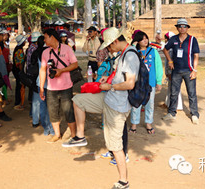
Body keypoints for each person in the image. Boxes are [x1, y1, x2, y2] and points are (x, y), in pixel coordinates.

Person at [65, 27, 137, 189]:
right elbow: (119, 77)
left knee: (115, 146)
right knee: (78, 100)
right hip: (109, 99)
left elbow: (130, 83)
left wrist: (109, 87)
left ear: (116, 41)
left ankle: (123, 181)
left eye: (109, 46)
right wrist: (109, 80)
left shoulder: (130, 56)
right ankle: (80, 136)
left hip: (118, 106)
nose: (108, 49)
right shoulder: (122, 54)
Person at [39, 29, 78, 143]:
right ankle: (57, 135)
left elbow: (75, 64)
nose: (44, 40)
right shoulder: (45, 52)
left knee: (68, 111)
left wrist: (62, 71)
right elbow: (42, 70)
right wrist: (42, 87)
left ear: (52, 37)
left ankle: (74, 135)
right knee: (53, 112)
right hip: (51, 88)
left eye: (46, 37)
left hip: (66, 87)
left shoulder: (67, 49)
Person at [162, 18, 200, 125]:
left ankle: (194, 114)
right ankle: (171, 113)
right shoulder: (173, 39)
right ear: (177, 28)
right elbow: (165, 49)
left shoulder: (192, 40)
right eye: (180, 26)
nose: (182, 28)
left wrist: (194, 70)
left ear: (187, 28)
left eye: (184, 26)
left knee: (191, 93)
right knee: (174, 92)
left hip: (189, 70)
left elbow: (196, 55)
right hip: (176, 71)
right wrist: (170, 60)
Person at [129, 31, 162, 134]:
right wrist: (133, 45)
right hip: (137, 83)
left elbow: (158, 67)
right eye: (142, 39)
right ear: (137, 41)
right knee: (136, 104)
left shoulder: (153, 51)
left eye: (146, 38)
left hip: (150, 82)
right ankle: (134, 124)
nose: (145, 40)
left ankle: (148, 123)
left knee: (150, 104)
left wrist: (159, 81)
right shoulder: (134, 52)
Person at [31, 35, 54, 135]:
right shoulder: (51, 52)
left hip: (39, 82)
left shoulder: (36, 53)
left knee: (41, 105)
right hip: (51, 83)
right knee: (51, 106)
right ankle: (52, 129)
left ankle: (43, 126)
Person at [163, 32, 183, 111]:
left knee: (174, 89)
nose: (165, 40)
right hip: (171, 72)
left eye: (166, 38)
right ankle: (168, 103)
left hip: (172, 72)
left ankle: (177, 106)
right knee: (171, 89)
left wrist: (169, 72)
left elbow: (169, 62)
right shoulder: (169, 47)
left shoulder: (170, 49)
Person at [12, 35, 27, 110]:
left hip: (16, 70)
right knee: (20, 86)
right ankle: (18, 103)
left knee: (18, 86)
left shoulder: (17, 48)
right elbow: (20, 63)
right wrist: (22, 73)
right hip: (18, 71)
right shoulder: (19, 50)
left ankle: (18, 102)